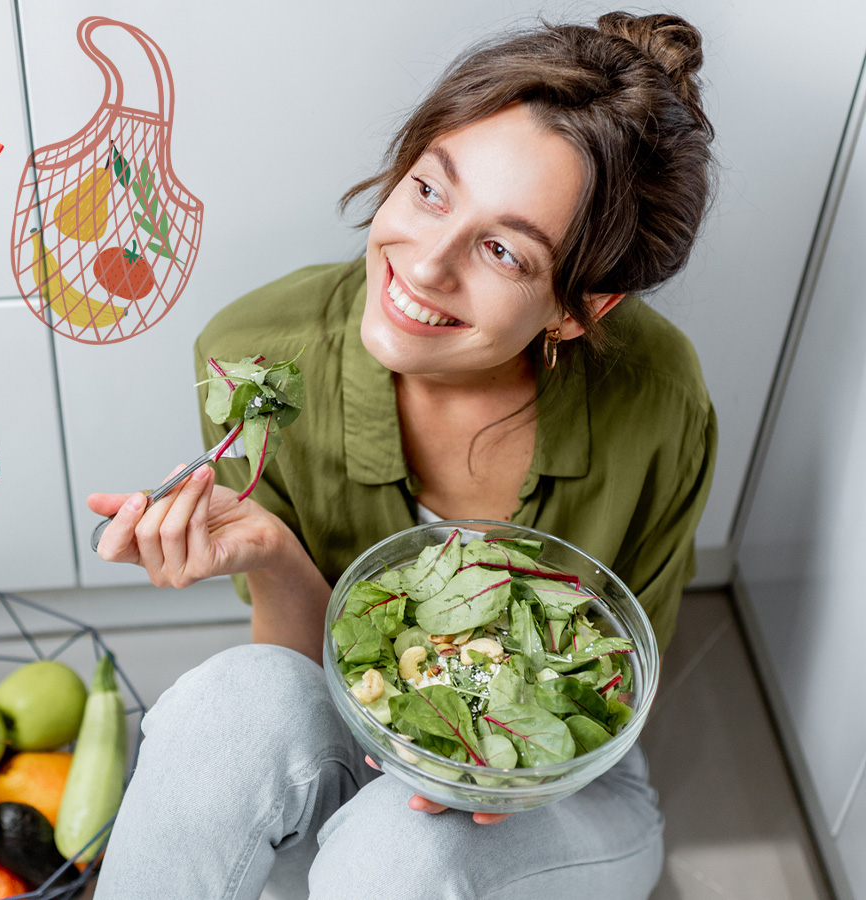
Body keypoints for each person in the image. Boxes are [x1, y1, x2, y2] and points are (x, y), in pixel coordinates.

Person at [87, 11, 717, 899]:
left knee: (401, 851)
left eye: (502, 250)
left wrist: (507, 765)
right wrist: (272, 555)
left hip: (554, 790)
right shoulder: (261, 356)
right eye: (430, 190)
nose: (423, 267)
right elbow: (297, 676)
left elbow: (610, 689)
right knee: (230, 701)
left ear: (581, 311)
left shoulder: (657, 399)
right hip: (364, 724)